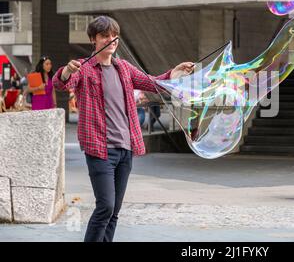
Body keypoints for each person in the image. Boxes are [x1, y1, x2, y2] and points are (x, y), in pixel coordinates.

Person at [53, 16, 193, 242]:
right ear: (93, 40)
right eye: (104, 36)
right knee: (105, 206)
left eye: (113, 35)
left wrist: (175, 72)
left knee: (114, 211)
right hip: (100, 149)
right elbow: (61, 83)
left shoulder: (124, 68)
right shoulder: (85, 68)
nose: (111, 40)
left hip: (125, 149)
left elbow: (154, 82)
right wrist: (67, 71)